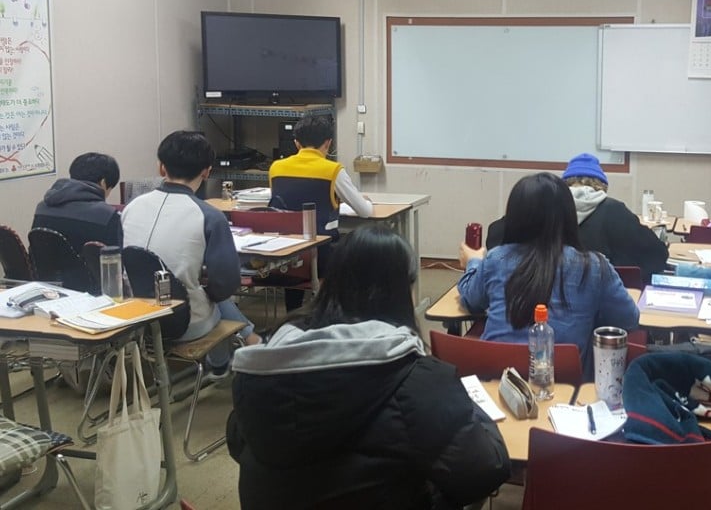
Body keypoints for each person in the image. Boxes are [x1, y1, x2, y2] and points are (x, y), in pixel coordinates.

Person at [227, 225, 511, 510]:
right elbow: (485, 470)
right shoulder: (416, 380)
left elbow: (237, 443)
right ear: (403, 291)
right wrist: (472, 406)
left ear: (332, 281)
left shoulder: (265, 366)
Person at [458, 172, 640, 377]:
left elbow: (471, 299)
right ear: (569, 216)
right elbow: (629, 319)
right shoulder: (594, 266)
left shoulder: (496, 259)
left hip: (496, 385)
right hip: (567, 390)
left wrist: (474, 260)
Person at [122, 131, 260, 375]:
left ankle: (248, 345)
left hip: (133, 317)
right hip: (183, 323)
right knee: (215, 299)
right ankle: (220, 367)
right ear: (207, 171)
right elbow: (225, 284)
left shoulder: (131, 208)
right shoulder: (209, 216)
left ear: (161, 167)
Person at [486, 153, 669, 282]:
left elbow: (495, 239)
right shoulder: (615, 211)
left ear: (564, 184)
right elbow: (656, 256)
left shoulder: (543, 207)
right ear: (602, 186)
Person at [268, 115, 373, 310]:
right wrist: (365, 201)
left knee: (299, 252)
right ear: (328, 143)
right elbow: (365, 212)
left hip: (288, 252)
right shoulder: (333, 170)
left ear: (296, 143)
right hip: (324, 252)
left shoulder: (276, 168)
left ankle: (294, 314)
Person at [32, 152, 122, 252]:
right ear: (103, 183)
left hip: (44, 267)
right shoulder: (108, 216)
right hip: (92, 268)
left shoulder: (42, 208)